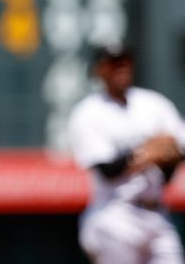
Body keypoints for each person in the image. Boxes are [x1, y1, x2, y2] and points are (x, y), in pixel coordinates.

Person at [68, 44, 185, 264]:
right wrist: (150, 151)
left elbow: (179, 148)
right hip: (115, 214)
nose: (122, 68)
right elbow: (107, 169)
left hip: (157, 213)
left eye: (126, 62)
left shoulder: (154, 104)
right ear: (99, 70)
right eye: (114, 63)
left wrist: (167, 153)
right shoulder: (88, 112)